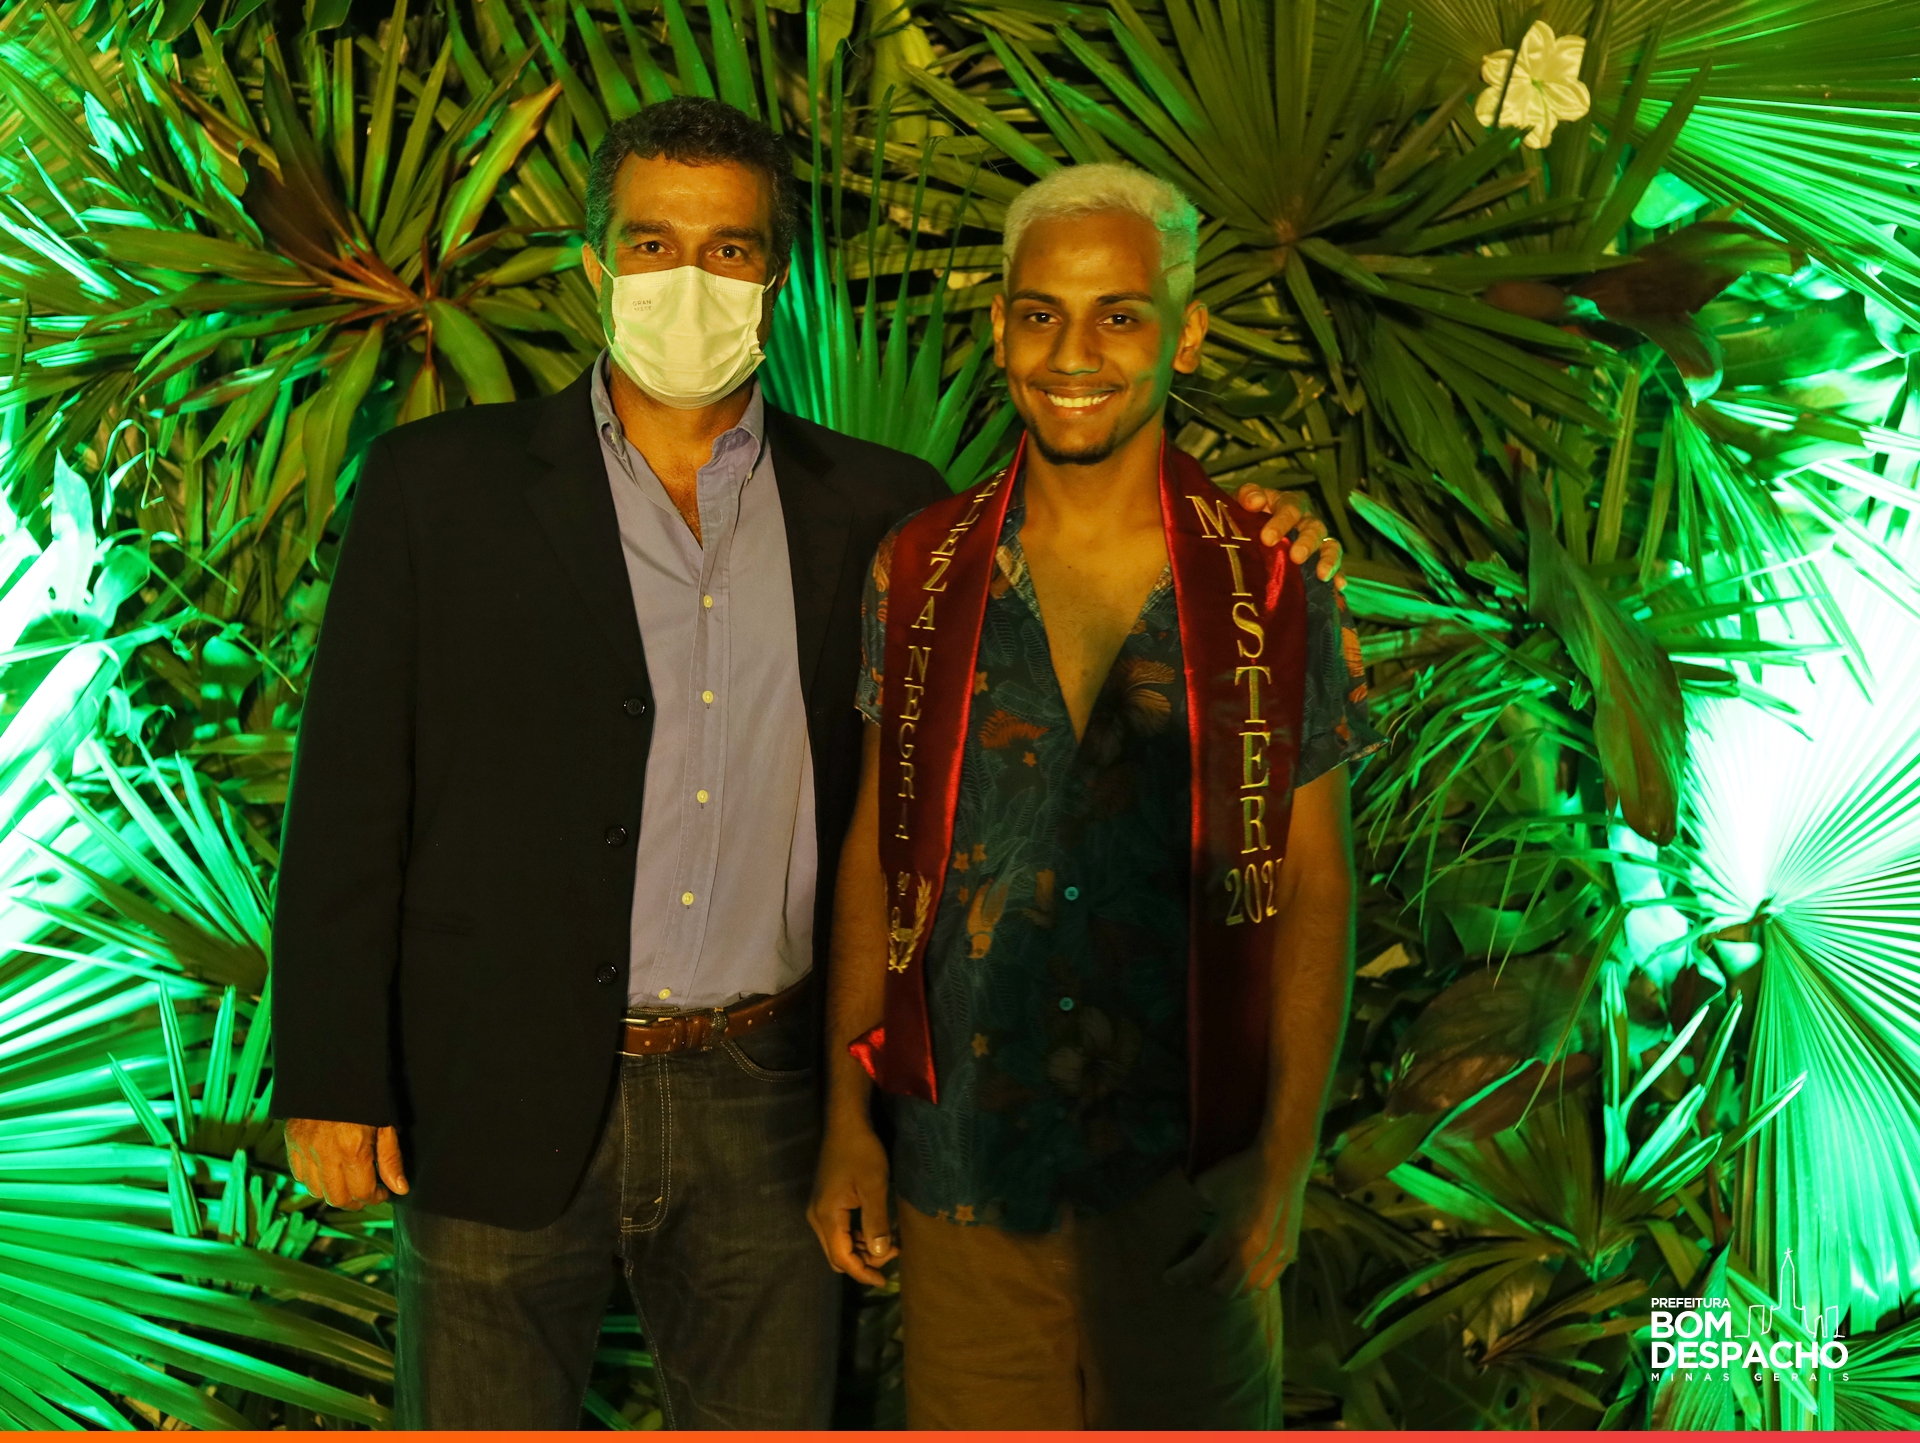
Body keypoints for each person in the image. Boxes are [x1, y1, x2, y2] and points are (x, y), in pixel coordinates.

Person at [808, 162, 1384, 1429]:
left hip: (1188, 1193)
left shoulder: (1271, 581)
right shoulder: (920, 568)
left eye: (1119, 315)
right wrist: (847, 1117)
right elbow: (876, 856)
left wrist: (1283, 1167)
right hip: (962, 1181)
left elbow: (1315, 885)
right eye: (1041, 314)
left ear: (1188, 331)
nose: (1074, 354)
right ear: (1002, 326)